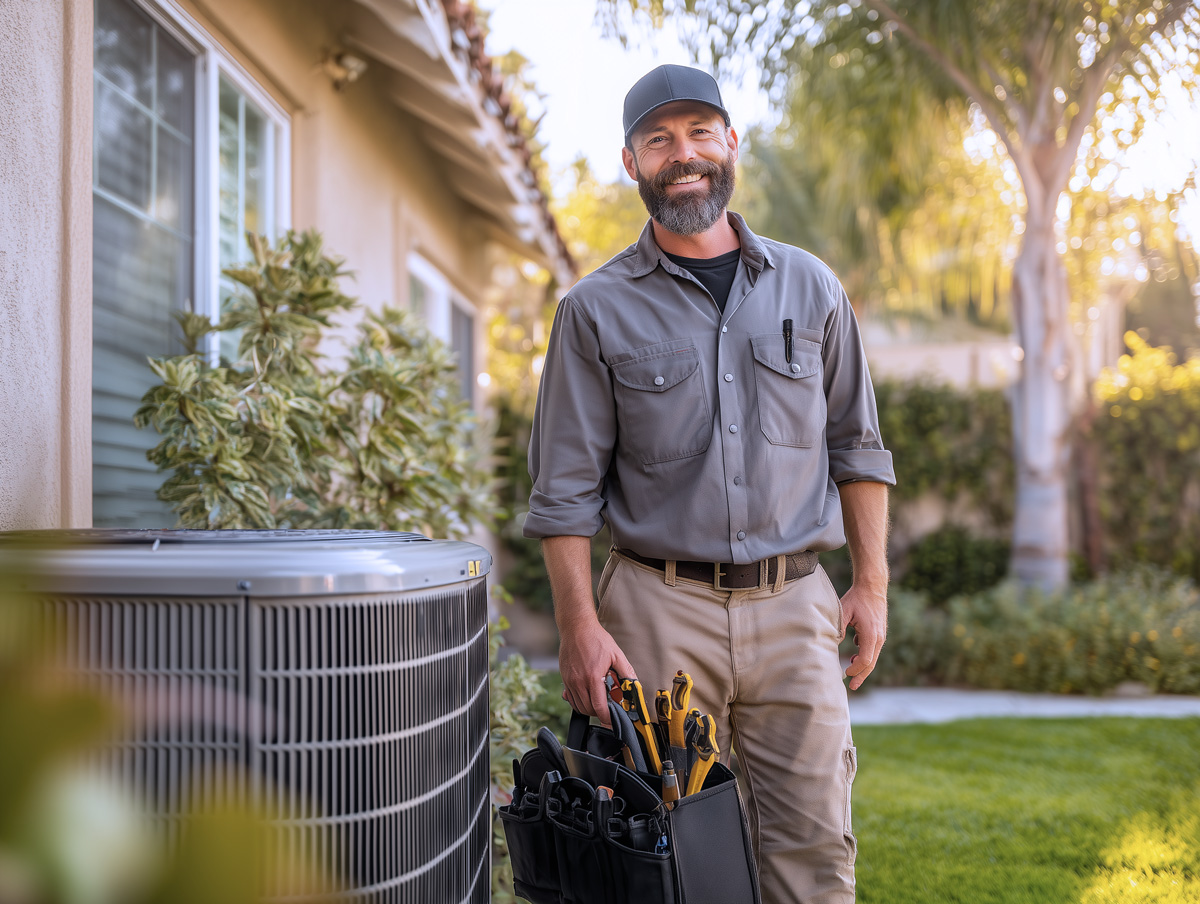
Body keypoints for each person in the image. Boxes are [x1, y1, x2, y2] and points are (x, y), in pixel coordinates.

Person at [523, 64, 895, 904]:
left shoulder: (813, 288)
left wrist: (870, 584)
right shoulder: (593, 310)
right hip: (656, 612)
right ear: (632, 163)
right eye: (659, 139)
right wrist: (579, 626)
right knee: (657, 861)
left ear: (732, 143)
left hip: (795, 607)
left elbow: (858, 447)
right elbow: (564, 491)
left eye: (698, 133)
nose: (681, 155)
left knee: (814, 851)